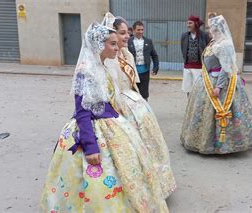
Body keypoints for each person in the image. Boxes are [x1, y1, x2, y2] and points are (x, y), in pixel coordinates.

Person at [39, 20, 168, 212]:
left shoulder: (102, 65)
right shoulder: (86, 70)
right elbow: (82, 111)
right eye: (113, 44)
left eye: (117, 43)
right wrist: (90, 147)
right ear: (100, 44)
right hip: (92, 129)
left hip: (112, 124)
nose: (117, 48)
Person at [105, 13, 176, 199]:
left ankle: (156, 183)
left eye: (127, 32)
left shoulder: (126, 53)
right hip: (117, 107)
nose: (126, 36)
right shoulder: (107, 57)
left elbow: (132, 83)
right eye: (122, 33)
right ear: (112, 35)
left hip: (132, 102)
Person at [180, 15, 252, 154]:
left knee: (223, 111)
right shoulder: (214, 43)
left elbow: (225, 67)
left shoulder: (225, 44)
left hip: (220, 82)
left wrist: (219, 86)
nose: (209, 31)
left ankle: (223, 144)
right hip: (208, 78)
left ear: (218, 29)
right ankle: (204, 140)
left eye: (211, 28)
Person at [128, 21, 159, 101]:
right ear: (134, 30)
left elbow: (154, 55)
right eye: (138, 30)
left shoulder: (148, 41)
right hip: (132, 73)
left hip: (145, 72)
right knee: (133, 94)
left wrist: (155, 68)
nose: (140, 32)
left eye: (142, 30)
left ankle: (145, 112)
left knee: (144, 95)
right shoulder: (128, 41)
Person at [181, 15, 210, 97]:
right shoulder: (184, 36)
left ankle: (197, 108)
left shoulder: (204, 35)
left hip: (199, 67)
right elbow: (183, 49)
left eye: (190, 23)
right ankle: (190, 106)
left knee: (198, 90)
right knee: (188, 88)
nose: (188, 25)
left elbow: (208, 50)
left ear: (196, 24)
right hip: (187, 67)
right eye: (187, 23)